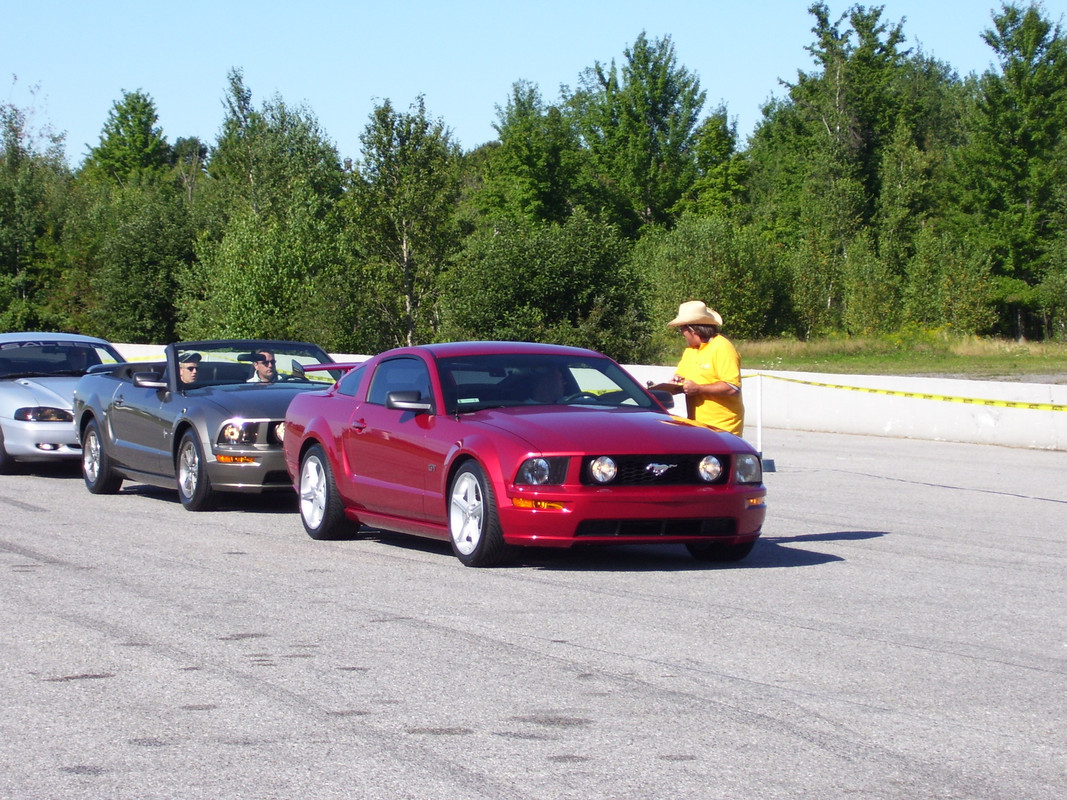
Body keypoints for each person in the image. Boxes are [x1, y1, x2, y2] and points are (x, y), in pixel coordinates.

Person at [667, 300, 744, 436]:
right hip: (698, 426)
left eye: (682, 328)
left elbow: (732, 387)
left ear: (693, 329)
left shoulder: (722, 347)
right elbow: (682, 377)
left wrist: (699, 389)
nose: (681, 333)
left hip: (723, 428)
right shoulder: (690, 350)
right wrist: (674, 385)